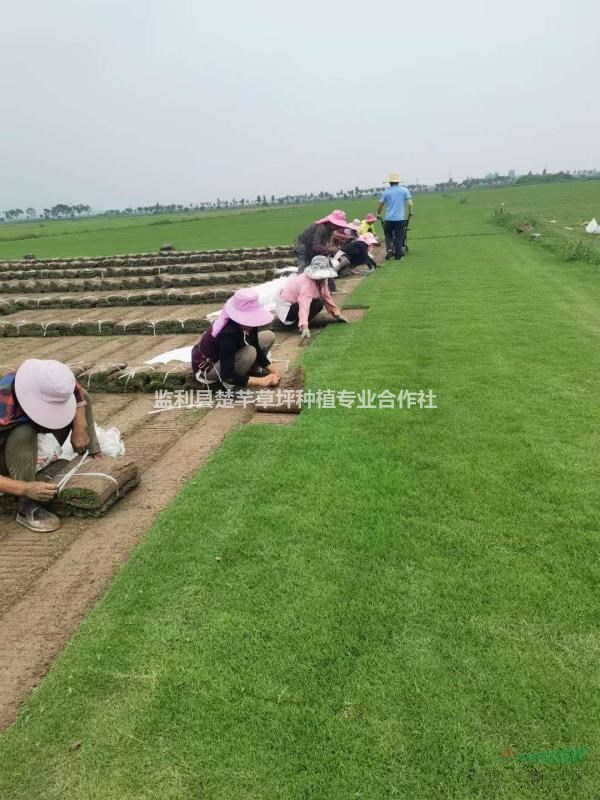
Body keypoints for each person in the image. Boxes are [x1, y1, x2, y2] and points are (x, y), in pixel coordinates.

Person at [0, 359, 101, 532]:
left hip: (31, 438)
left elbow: (76, 390)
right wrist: (25, 489)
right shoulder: (3, 407)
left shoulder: (43, 379)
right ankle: (27, 506)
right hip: (8, 450)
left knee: (83, 396)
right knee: (23, 432)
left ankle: (93, 455)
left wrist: (79, 426)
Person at [192, 288, 280, 389]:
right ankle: (231, 385)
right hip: (211, 366)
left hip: (229, 354)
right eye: (248, 318)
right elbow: (227, 374)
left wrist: (270, 368)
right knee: (250, 352)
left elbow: (255, 343)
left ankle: (253, 369)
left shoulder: (250, 324)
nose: (252, 322)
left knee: (268, 336)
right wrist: (261, 381)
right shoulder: (228, 333)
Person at [274, 255, 349, 344]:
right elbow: (304, 306)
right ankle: (298, 324)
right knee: (317, 304)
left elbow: (326, 296)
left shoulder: (323, 280)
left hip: (295, 304)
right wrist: (304, 326)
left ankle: (302, 322)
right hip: (287, 309)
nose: (323, 278)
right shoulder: (306, 284)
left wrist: (337, 314)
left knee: (318, 303)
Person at [376, 173, 413, 260]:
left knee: (388, 235)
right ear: (398, 182)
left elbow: (380, 205)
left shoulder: (386, 192)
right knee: (399, 236)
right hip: (400, 218)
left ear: (389, 183)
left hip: (389, 219)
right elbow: (410, 203)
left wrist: (378, 213)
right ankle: (398, 255)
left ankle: (389, 249)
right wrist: (411, 212)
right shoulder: (404, 190)